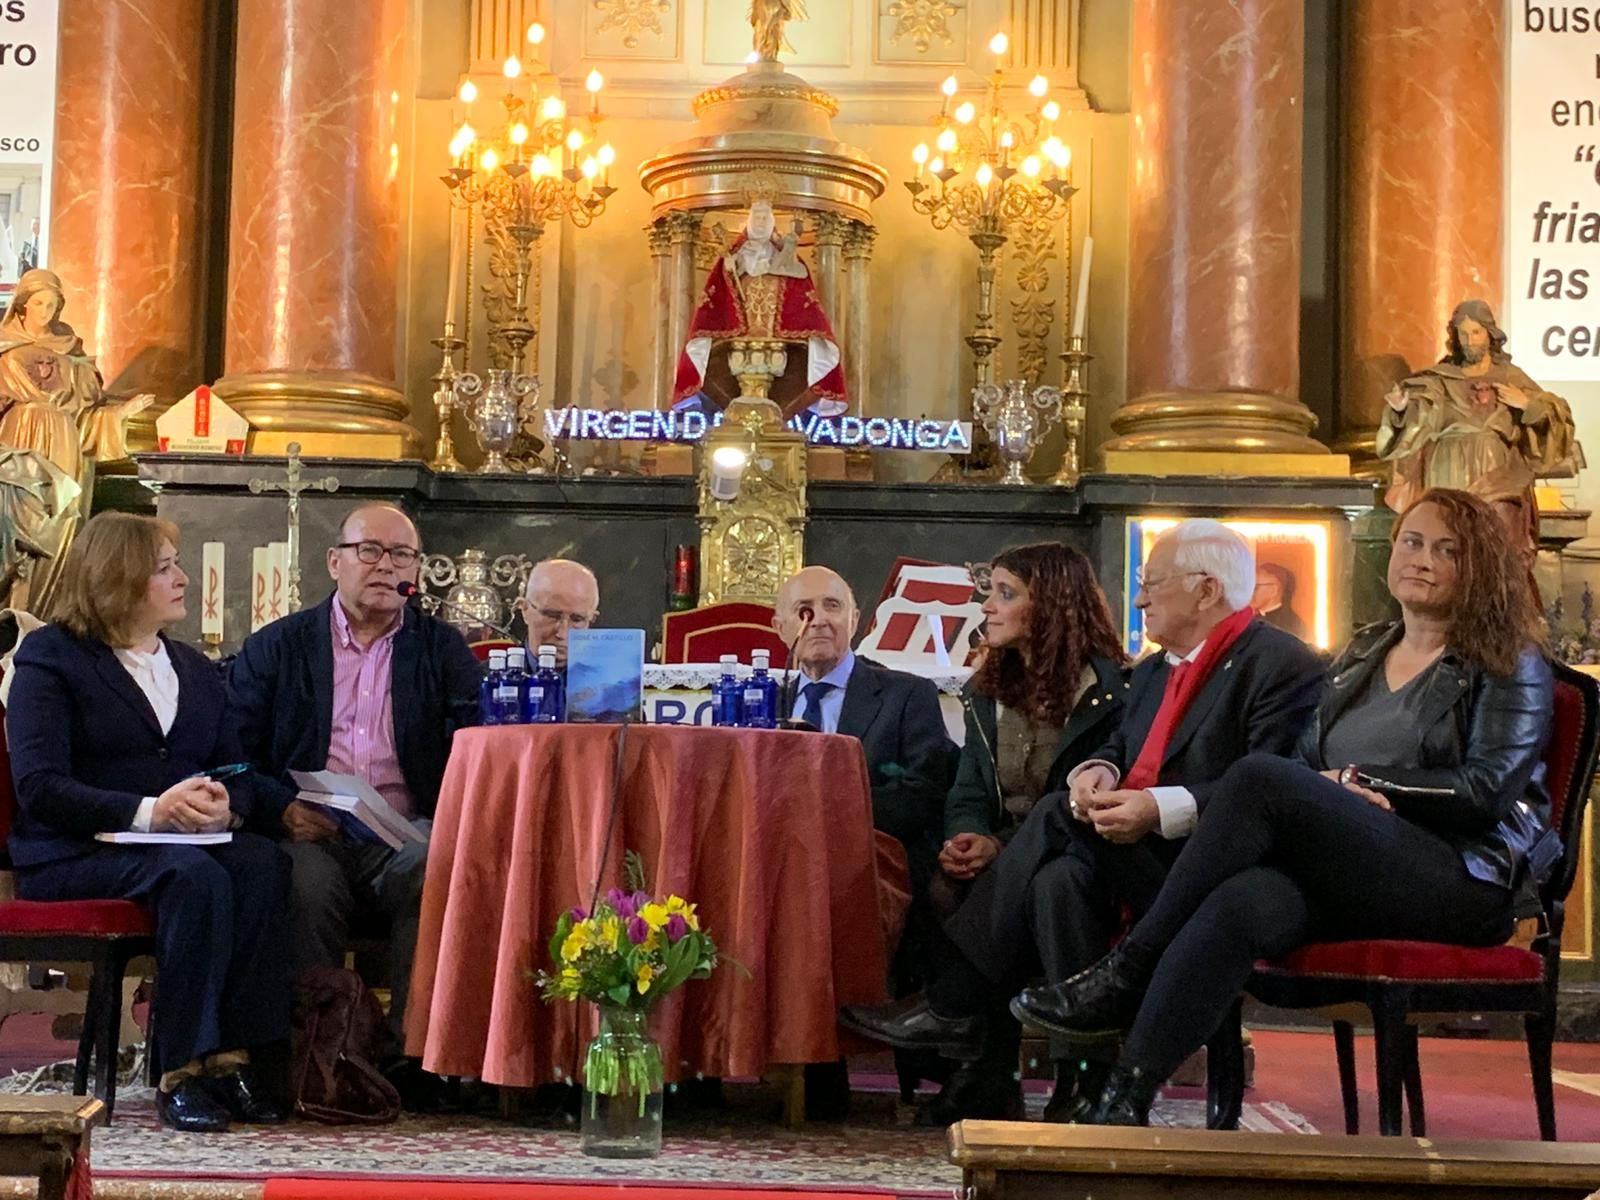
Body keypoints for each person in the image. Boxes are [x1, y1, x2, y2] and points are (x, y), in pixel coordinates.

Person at [1015, 489, 1555, 1126]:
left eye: (1448, 550)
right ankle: (1125, 1098)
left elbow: (1488, 789)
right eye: (1412, 542)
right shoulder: (1363, 653)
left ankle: (1128, 970)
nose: (1423, 560)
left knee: (1256, 777)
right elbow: (1305, 764)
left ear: (1479, 566)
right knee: (1239, 901)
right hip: (1350, 864)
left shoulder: (1508, 661)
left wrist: (1362, 781)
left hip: (1459, 874)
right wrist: (1330, 791)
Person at [841, 519, 1324, 1124]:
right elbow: (1121, 751)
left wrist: (1155, 807)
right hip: (1120, 847)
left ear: (1205, 591)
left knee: (1050, 820)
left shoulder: (1280, 662)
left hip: (1204, 866)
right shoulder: (1153, 671)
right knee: (1055, 881)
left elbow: (1272, 787)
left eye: (1152, 584)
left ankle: (956, 1002)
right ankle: (1078, 1082)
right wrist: (1096, 771)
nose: (1140, 598)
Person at [6, 513, 290, 1132]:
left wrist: (228, 803)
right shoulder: (51, 658)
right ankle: (180, 1069)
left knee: (261, 862)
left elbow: (234, 764)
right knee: (192, 877)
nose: (183, 579)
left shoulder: (191, 667)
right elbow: (39, 785)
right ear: (120, 578)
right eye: (165, 569)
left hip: (171, 847)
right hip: (72, 853)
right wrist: (148, 811)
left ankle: (233, 1059)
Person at [227, 502, 483, 1107]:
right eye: (370, 550)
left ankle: (413, 1056)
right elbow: (232, 755)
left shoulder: (442, 651)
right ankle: (318, 1053)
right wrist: (279, 809)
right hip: (307, 828)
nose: (384, 565)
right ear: (334, 561)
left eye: (401, 555)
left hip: (403, 829)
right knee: (305, 885)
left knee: (436, 866)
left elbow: (477, 747)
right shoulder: (278, 647)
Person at [935, 542, 1129, 912]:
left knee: (1052, 883)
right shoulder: (986, 691)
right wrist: (967, 836)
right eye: (990, 591)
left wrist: (999, 845)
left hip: (1074, 847)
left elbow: (1073, 808)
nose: (986, 607)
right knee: (943, 885)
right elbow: (969, 788)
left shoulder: (1108, 692)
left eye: (1005, 594)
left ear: (1050, 606)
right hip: (998, 844)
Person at [0, 269, 152, 608]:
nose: (46, 311)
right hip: (20, 446)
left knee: (63, 527)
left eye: (53, 304)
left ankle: (47, 616)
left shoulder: (73, 353)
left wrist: (120, 414)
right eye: (38, 303)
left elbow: (86, 417)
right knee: (19, 535)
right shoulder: (4, 347)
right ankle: (12, 617)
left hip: (65, 445)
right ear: (22, 305)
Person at [515, 557, 599, 667]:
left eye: (577, 620)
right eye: (552, 616)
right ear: (525, 610)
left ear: (592, 619)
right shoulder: (489, 680)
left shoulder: (613, 682)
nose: (562, 634)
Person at [1251, 562, 1307, 640]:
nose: (1250, 592)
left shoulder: (1290, 624)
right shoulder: (1249, 617)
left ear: (1274, 590)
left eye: (1256, 587)